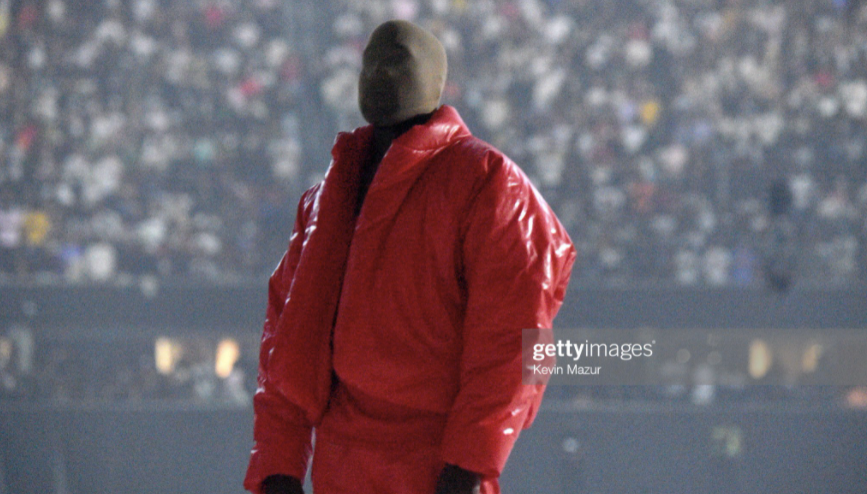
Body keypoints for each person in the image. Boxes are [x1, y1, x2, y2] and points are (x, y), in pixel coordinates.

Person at [244, 20, 576, 494]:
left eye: (397, 62)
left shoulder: (489, 183)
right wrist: (278, 467)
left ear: (435, 80)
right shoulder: (326, 199)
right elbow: (286, 341)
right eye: (372, 61)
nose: (381, 71)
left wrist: (468, 465)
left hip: (434, 463)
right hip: (348, 467)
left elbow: (521, 340)